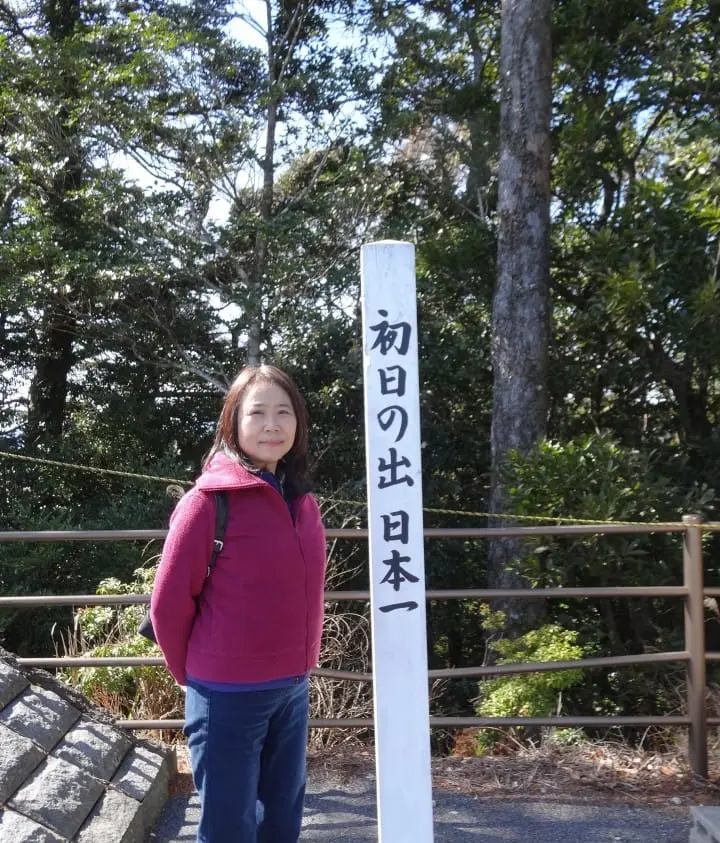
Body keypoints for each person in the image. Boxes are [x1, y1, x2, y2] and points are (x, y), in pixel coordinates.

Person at [150, 364, 327, 843]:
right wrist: (192, 677)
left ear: (298, 422)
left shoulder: (302, 501)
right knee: (230, 825)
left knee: (283, 819)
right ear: (233, 423)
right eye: (257, 413)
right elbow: (167, 604)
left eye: (284, 412)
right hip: (225, 693)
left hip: (292, 686)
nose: (272, 425)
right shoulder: (208, 503)